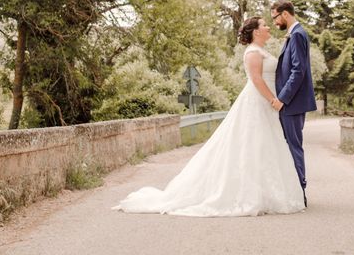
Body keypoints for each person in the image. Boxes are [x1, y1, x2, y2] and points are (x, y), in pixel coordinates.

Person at [112, 16, 305, 216]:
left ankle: (268, 193)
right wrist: (273, 100)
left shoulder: (262, 50)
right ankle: (250, 194)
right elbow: (256, 79)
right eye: (264, 25)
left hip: (266, 104)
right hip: (259, 101)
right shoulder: (253, 53)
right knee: (253, 145)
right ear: (256, 31)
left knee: (265, 147)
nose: (267, 27)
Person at [270, 0, 317, 208]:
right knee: (290, 146)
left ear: (285, 14)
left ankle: (300, 193)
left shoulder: (297, 34)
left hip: (292, 103)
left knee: (294, 147)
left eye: (275, 17)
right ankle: (295, 191)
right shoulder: (294, 34)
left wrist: (282, 98)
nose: (274, 22)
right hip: (292, 103)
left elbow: (298, 71)